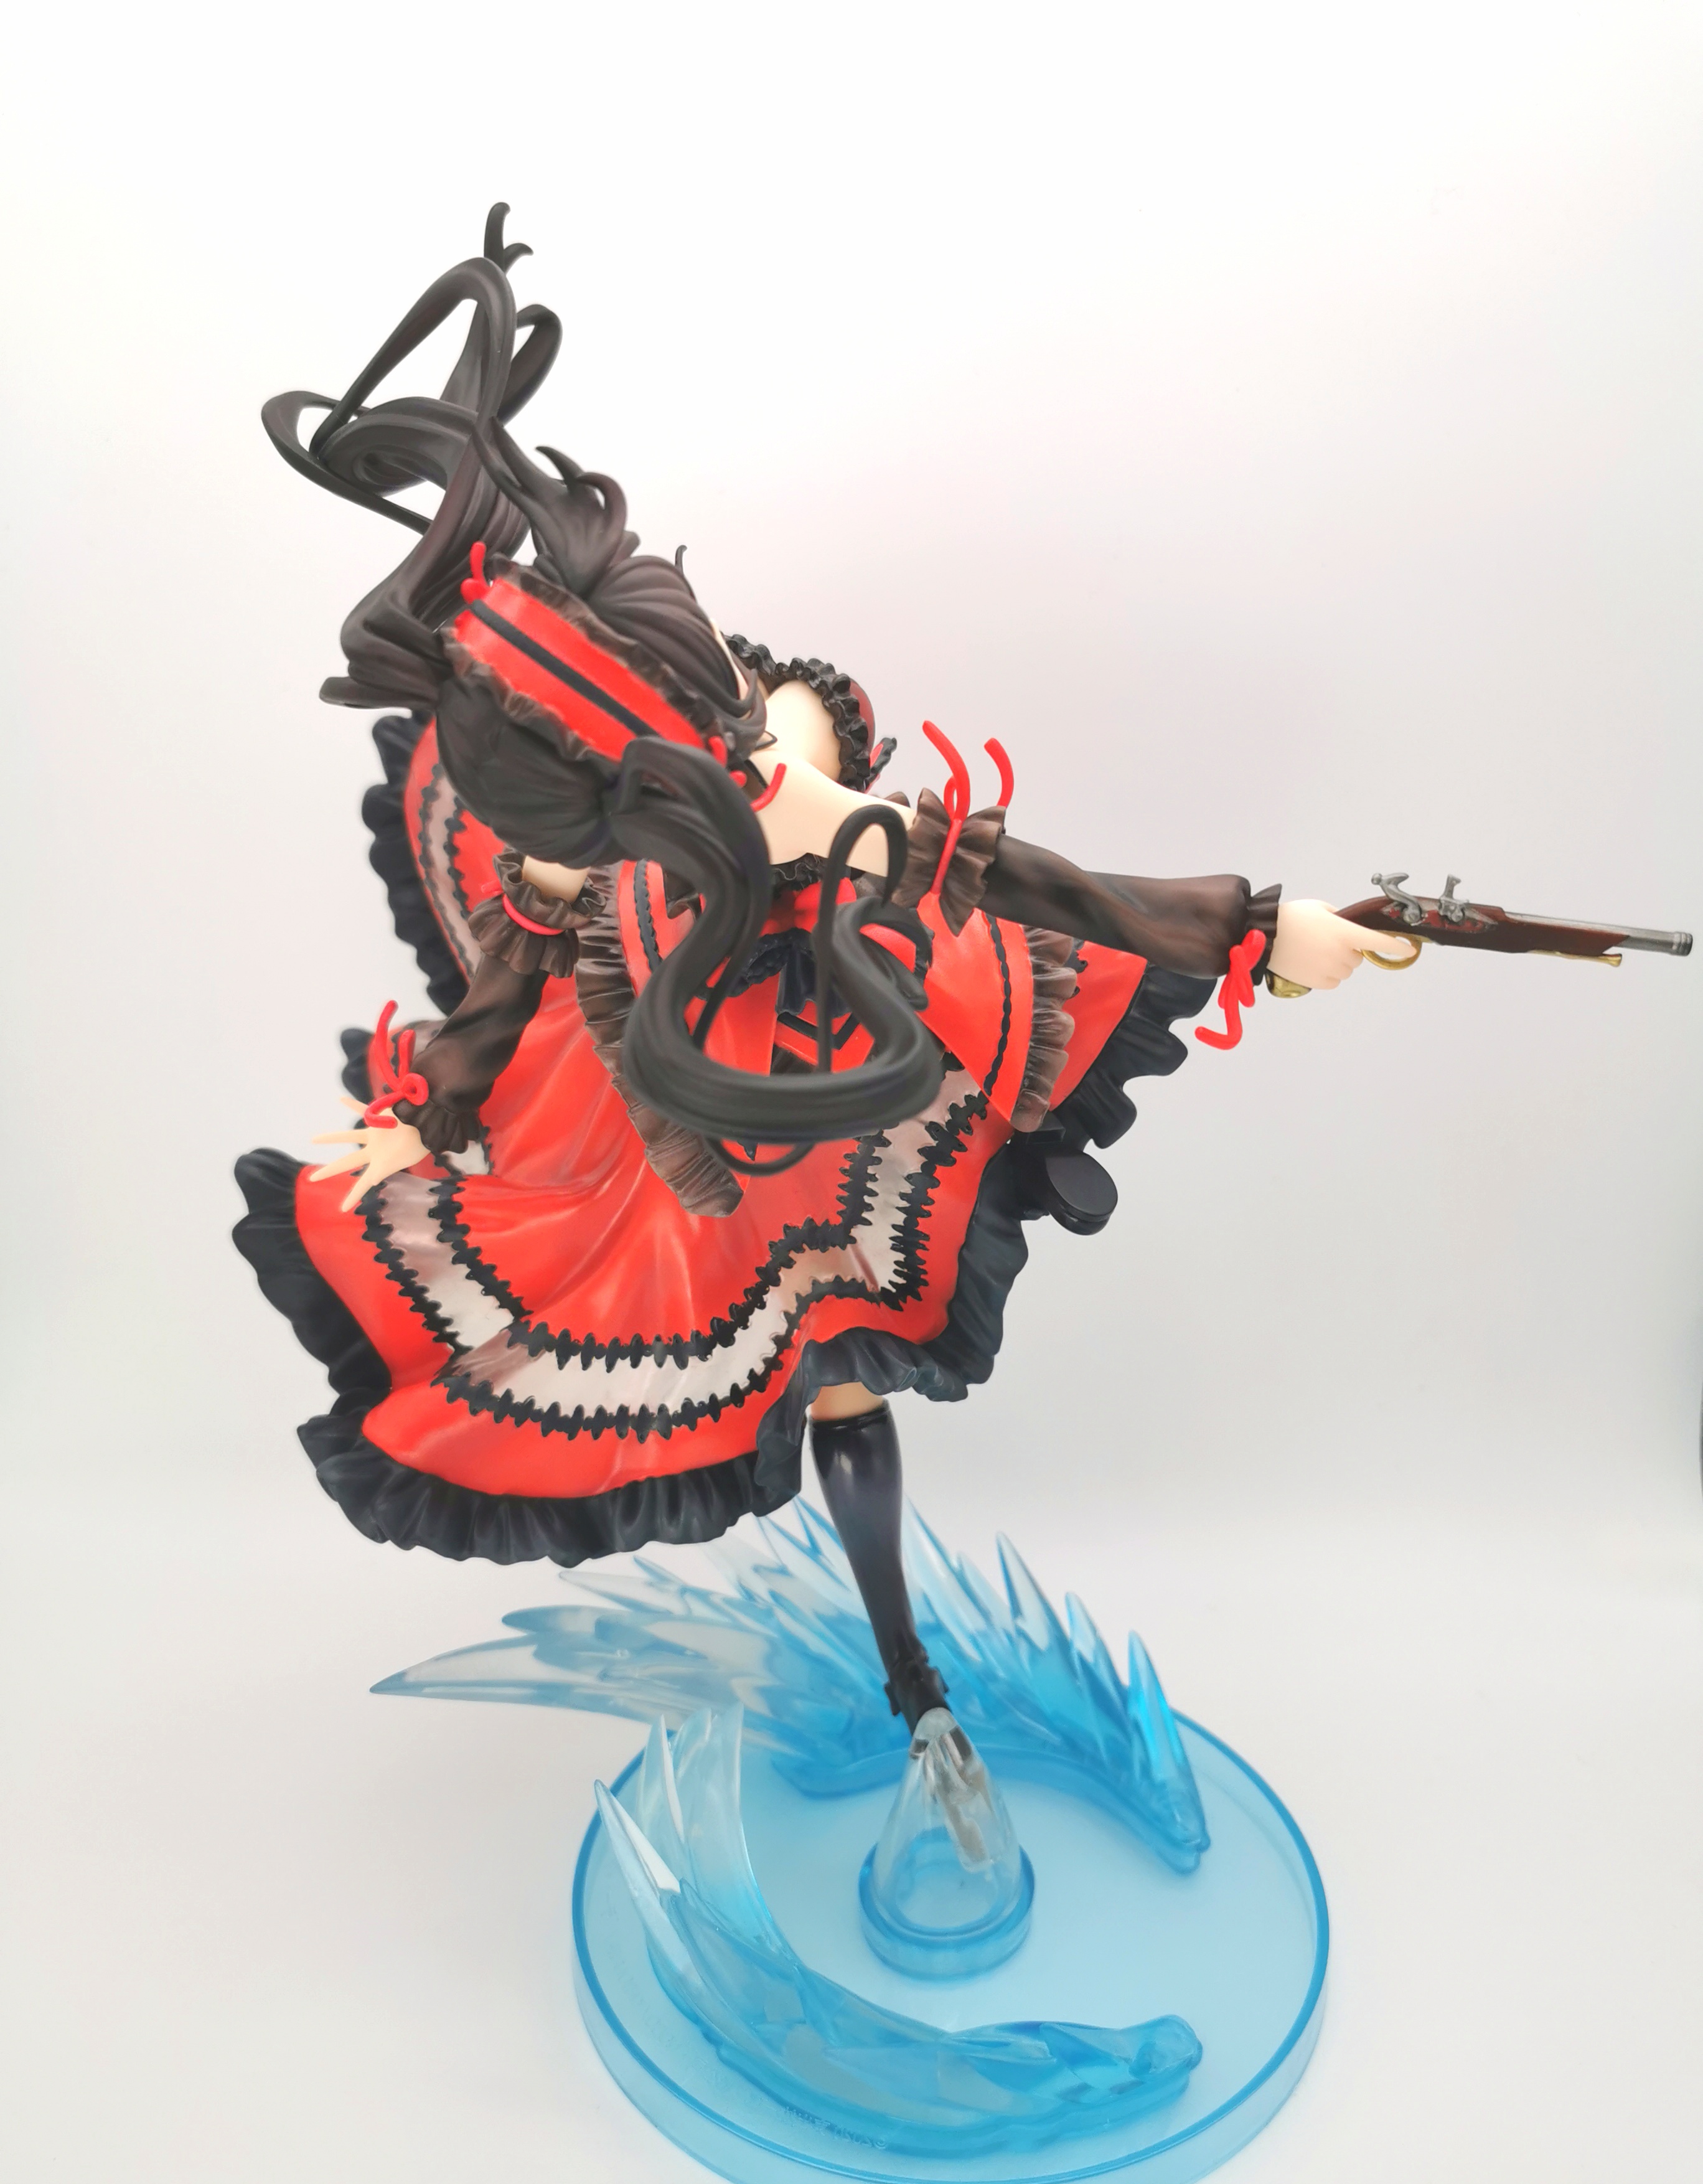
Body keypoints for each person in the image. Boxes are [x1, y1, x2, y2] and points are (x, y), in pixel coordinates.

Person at [235, 209, 1412, 1734]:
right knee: (786, 1339)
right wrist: (436, 1108)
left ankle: (910, 1671)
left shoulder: (766, 773)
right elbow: (519, 968)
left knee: (840, 1353)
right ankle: (908, 1670)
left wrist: (1254, 927)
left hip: (820, 1008)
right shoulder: (603, 850)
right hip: (681, 1042)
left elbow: (1020, 878)